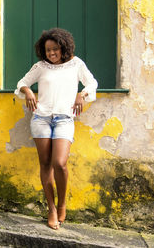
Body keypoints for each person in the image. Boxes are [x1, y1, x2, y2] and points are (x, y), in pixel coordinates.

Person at [14, 28, 98, 230]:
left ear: (64, 48)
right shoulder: (40, 67)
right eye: (48, 50)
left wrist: (81, 95)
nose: (51, 54)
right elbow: (22, 83)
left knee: (59, 163)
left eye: (55, 49)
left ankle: (62, 203)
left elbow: (92, 83)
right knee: (45, 164)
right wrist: (28, 92)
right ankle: (51, 209)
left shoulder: (76, 64)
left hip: (64, 119)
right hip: (41, 119)